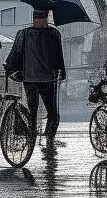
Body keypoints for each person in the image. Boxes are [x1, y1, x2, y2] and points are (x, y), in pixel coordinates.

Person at [6, 9, 66, 156]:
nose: (38, 21)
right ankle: (47, 136)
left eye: (40, 18)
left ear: (44, 19)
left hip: (35, 78)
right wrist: (61, 70)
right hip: (43, 78)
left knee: (40, 111)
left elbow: (15, 53)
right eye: (37, 18)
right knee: (50, 111)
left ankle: (39, 135)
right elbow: (59, 55)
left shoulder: (25, 33)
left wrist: (10, 68)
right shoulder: (53, 34)